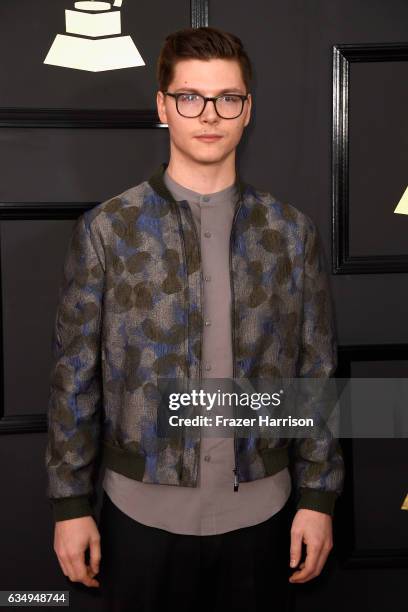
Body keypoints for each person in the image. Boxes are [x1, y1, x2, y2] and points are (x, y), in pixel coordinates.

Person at [45, 26, 345, 612]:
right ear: (163, 105)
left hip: (264, 516)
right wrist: (69, 505)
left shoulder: (289, 233)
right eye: (190, 97)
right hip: (139, 519)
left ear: (247, 108)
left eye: (227, 98)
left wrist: (319, 497)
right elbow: (73, 379)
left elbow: (316, 374)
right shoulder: (109, 231)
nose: (209, 114)